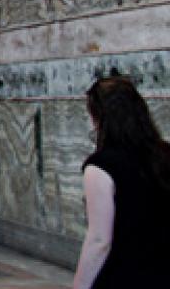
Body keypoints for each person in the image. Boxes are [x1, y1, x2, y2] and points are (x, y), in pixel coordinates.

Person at [72, 77, 170, 289]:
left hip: (124, 276)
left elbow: (99, 240)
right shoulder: (165, 154)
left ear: (99, 118)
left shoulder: (101, 166)